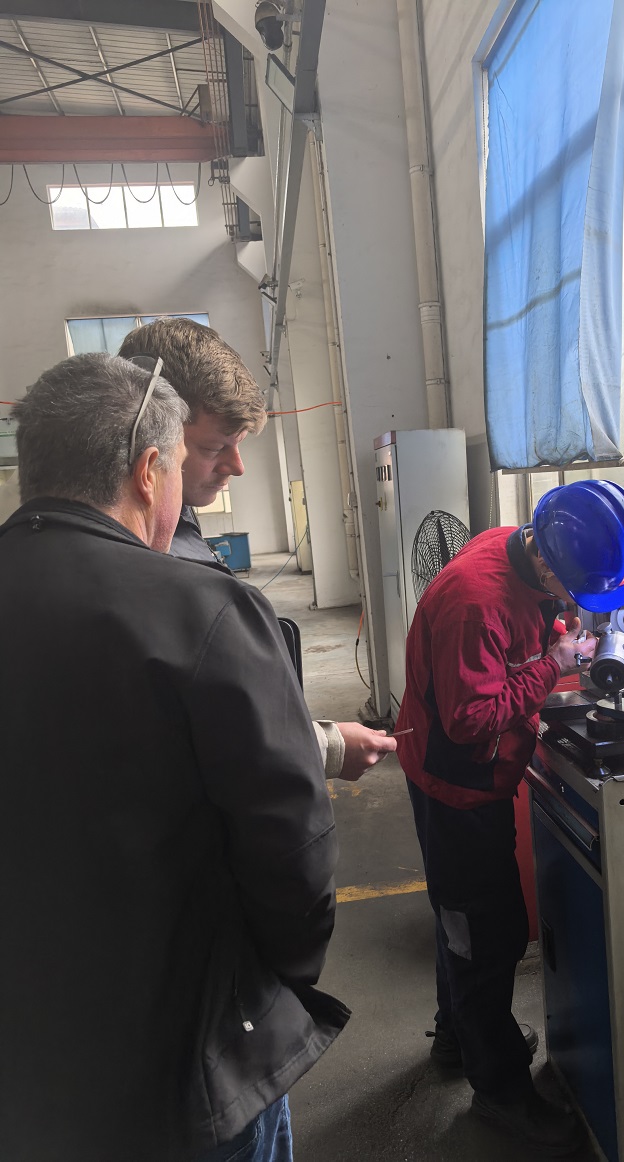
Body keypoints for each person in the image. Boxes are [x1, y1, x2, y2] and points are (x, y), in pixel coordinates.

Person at [0, 353, 348, 1162]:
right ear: (149, 470)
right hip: (190, 1065)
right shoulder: (204, 611)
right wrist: (275, 983)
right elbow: (291, 846)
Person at [394, 480, 624, 1156]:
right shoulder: (473, 603)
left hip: (470, 773)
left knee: (462, 921)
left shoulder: (517, 547)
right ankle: (501, 1088)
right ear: (546, 560)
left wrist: (559, 638)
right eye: (575, 590)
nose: (577, 603)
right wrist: (553, 666)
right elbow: (470, 717)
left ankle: (459, 1038)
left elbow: (524, 629)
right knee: (487, 936)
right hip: (457, 786)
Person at [117, 316, 395, 781]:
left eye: (239, 445)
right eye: (214, 447)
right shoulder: (136, 567)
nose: (237, 466)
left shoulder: (175, 522)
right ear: (148, 439)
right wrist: (321, 749)